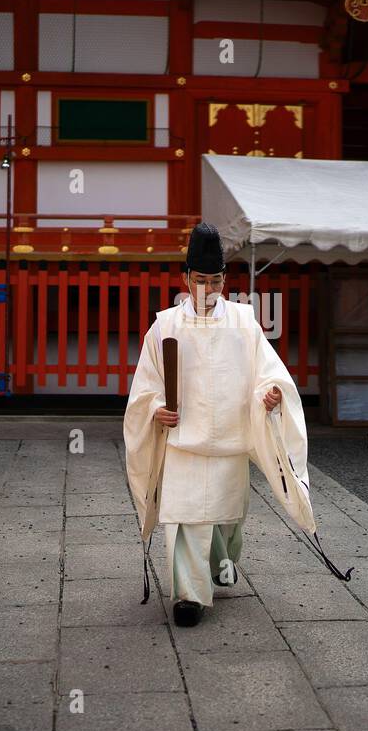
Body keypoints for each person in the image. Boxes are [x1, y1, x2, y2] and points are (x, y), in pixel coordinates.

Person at [123, 221, 316, 627]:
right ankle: (188, 597)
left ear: (225, 280)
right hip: (183, 445)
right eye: (199, 281)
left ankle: (218, 567)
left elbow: (268, 371)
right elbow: (146, 384)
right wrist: (157, 407)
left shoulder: (244, 322)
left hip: (230, 441)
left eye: (214, 281)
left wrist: (271, 394)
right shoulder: (165, 325)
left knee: (227, 520)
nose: (207, 290)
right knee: (187, 518)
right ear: (185, 278)